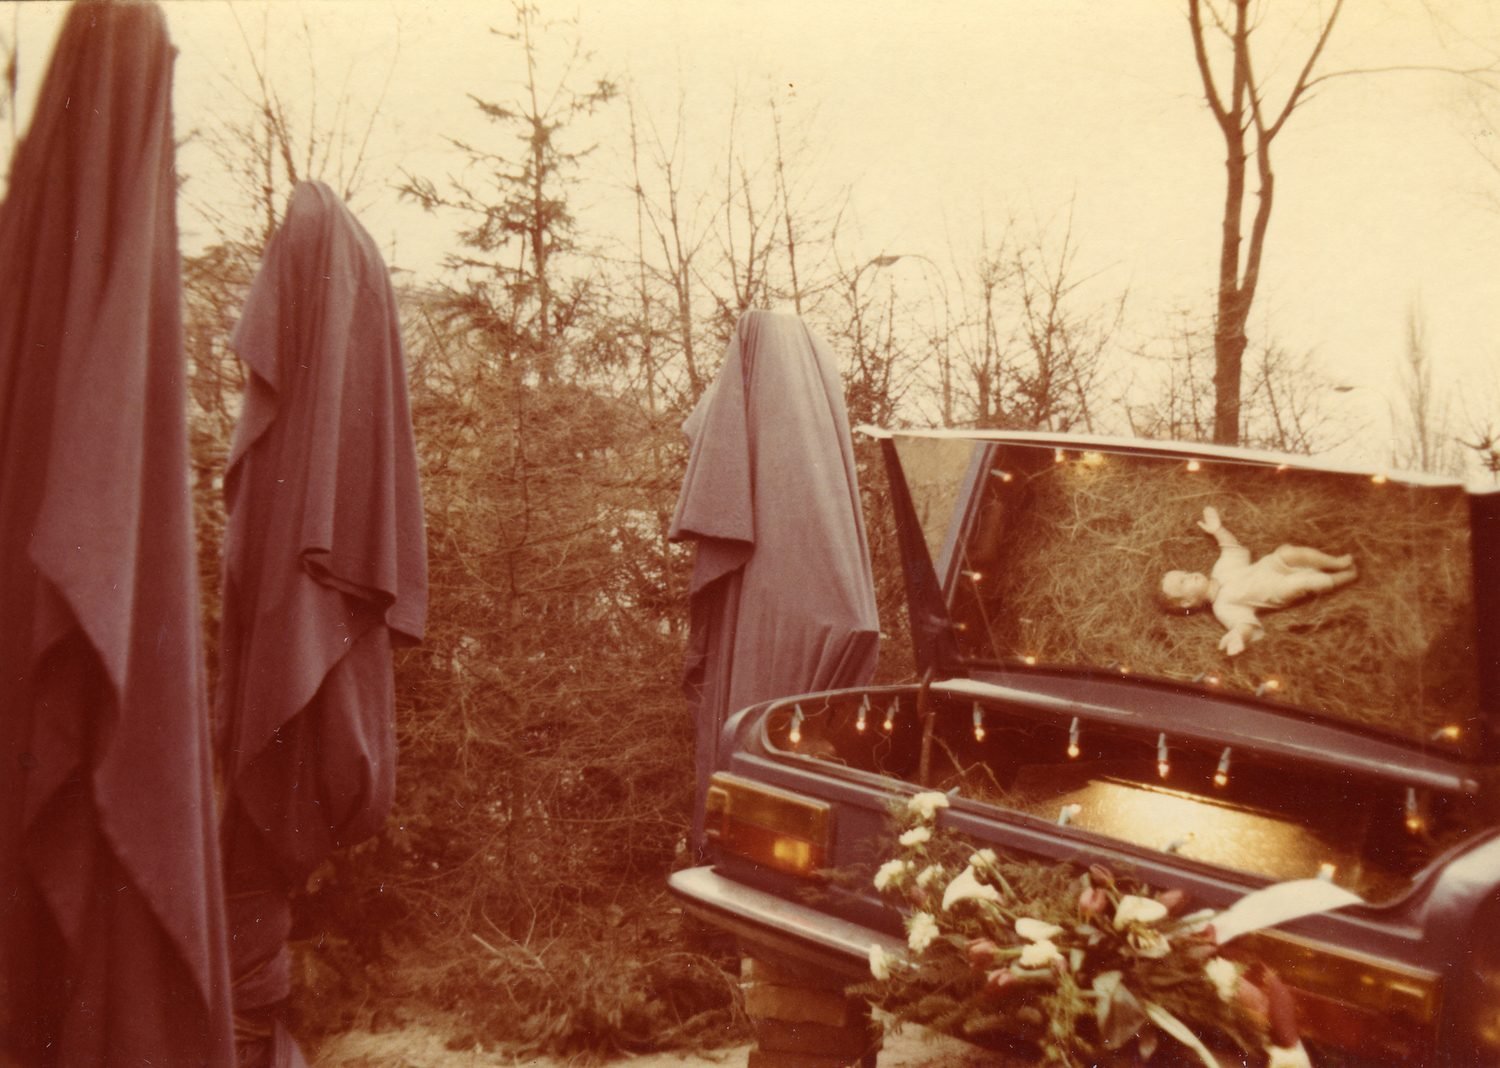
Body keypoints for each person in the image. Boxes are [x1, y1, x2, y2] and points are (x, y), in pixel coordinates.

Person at [1160, 506, 1358, 656]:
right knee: (1302, 582)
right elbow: (1243, 623)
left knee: (1288, 552)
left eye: (1185, 572)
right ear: (1187, 602)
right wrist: (1238, 636)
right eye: (1182, 582)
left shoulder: (1220, 570)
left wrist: (1218, 530)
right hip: (1277, 590)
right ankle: (1345, 576)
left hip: (1271, 566)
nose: (1189, 575)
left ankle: (1335, 563)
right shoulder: (1222, 607)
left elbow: (1232, 549)